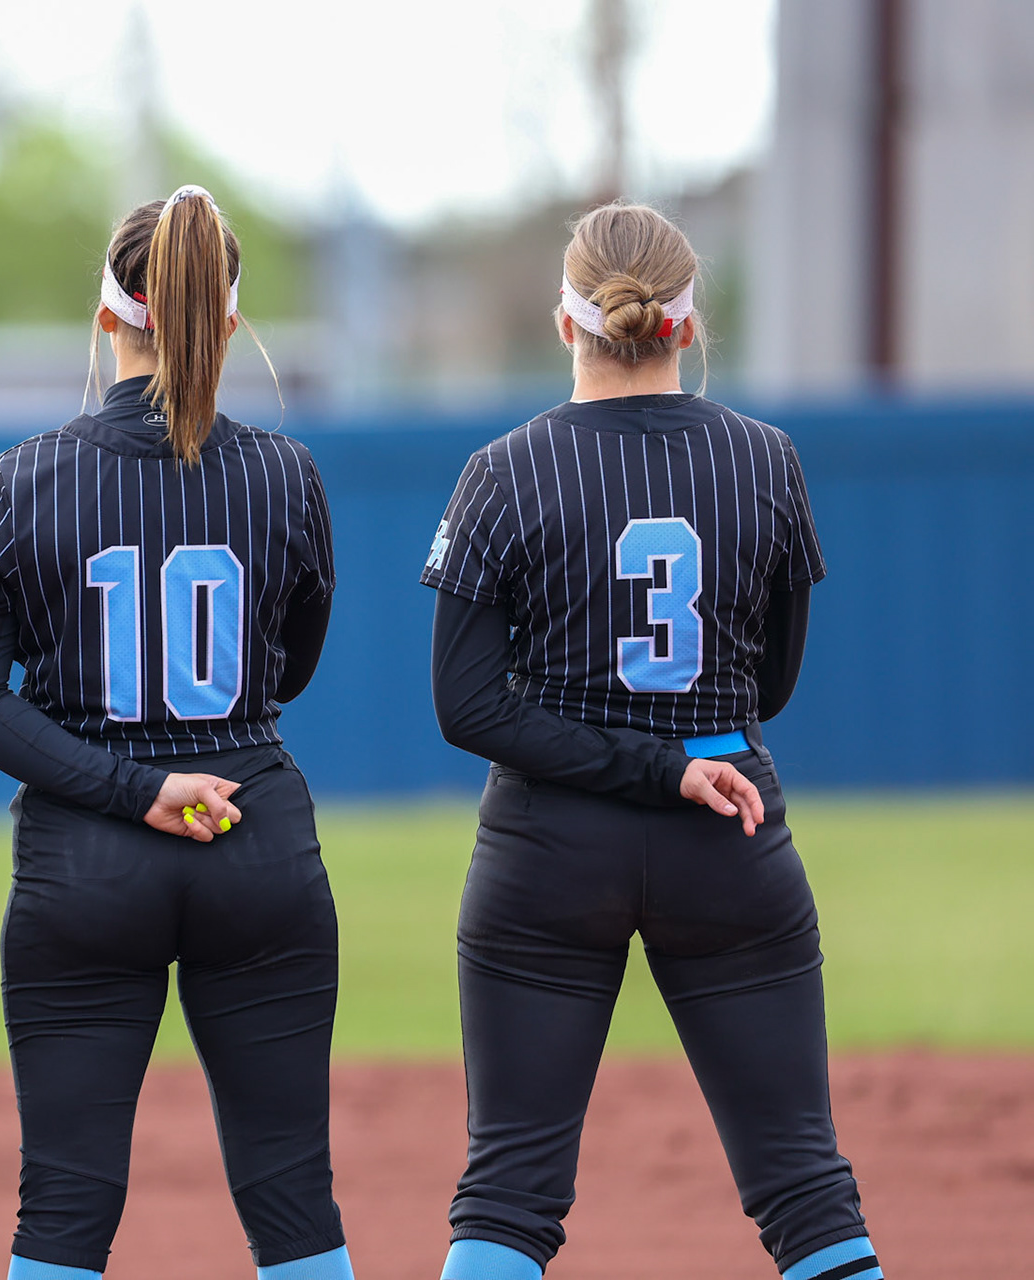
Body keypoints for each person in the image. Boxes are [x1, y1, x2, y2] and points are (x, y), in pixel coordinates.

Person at [420, 202, 883, 1280]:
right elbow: (773, 679)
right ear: (687, 323)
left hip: (547, 845)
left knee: (506, 1194)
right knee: (807, 1186)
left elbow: (466, 705)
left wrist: (627, 760)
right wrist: (677, 760)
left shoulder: (502, 470)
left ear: (564, 322)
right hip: (730, 827)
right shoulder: (767, 460)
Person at [0, 186, 348, 1280]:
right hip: (254, 831)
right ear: (229, 315)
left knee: (65, 1204)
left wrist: (127, 788)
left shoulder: (19, 479)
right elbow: (289, 669)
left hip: (86, 857)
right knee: (295, 1194)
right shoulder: (287, 473)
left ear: (106, 311)